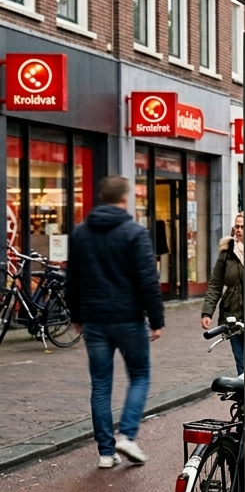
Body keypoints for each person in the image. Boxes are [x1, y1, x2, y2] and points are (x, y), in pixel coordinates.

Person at [66, 176, 164, 468]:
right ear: (124, 199)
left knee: (100, 385)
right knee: (140, 376)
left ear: (100, 197)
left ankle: (105, 453)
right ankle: (128, 435)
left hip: (94, 320)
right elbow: (148, 279)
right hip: (127, 319)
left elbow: (72, 280)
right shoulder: (134, 233)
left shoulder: (81, 233)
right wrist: (156, 320)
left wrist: (77, 317)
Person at [201, 213, 245, 374]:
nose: (239, 230)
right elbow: (215, 284)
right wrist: (207, 312)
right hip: (232, 312)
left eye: (242, 227)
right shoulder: (227, 253)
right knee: (240, 360)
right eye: (237, 226)